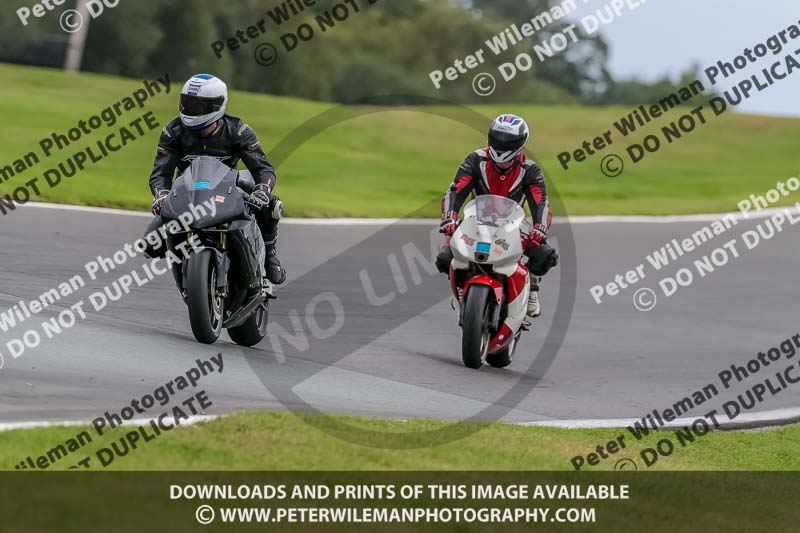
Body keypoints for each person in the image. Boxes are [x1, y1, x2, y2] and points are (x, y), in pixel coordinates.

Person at [146, 74, 286, 285]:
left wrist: (261, 192)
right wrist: (161, 195)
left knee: (271, 204)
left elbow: (263, 169)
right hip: (187, 191)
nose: (191, 110)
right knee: (149, 243)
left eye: (198, 105)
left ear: (217, 105)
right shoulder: (172, 132)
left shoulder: (238, 130)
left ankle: (269, 253)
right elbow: (160, 174)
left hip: (228, 187)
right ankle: (185, 269)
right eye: (187, 103)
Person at [435, 114, 558, 318]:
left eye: (508, 141)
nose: (502, 145)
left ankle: (533, 289)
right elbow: (456, 190)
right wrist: (449, 217)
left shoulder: (530, 170)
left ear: (521, 144)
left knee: (546, 255)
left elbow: (541, 202)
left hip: (513, 224)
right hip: (474, 221)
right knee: (445, 257)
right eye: (498, 139)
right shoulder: (475, 159)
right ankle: (461, 290)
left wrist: (540, 228)